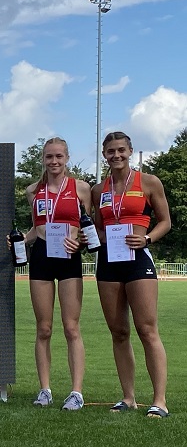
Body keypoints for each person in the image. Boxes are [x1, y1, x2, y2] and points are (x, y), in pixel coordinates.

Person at [92, 131, 171, 418]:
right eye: (111, 151)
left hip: (138, 258)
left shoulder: (149, 182)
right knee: (119, 332)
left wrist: (147, 239)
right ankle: (128, 397)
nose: (116, 155)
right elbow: (98, 228)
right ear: (104, 155)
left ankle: (159, 401)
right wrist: (93, 238)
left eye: (121, 150)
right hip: (109, 263)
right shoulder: (99, 190)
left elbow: (165, 221)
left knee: (147, 330)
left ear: (130, 150)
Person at [22, 137, 91, 410]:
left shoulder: (82, 189)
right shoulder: (32, 190)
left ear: (67, 158)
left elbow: (90, 228)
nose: (54, 161)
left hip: (68, 256)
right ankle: (45, 389)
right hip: (41, 257)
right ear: (43, 158)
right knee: (44, 328)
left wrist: (82, 241)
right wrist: (19, 240)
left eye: (59, 156)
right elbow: (35, 228)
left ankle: (76, 392)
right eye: (49, 157)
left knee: (71, 327)